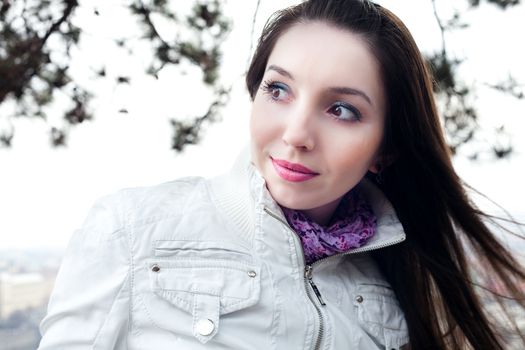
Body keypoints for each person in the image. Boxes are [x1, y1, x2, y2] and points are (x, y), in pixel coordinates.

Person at [38, 0, 525, 349]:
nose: (297, 133)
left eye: (341, 109)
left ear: (386, 148)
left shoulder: (399, 285)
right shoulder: (133, 230)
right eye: (278, 89)